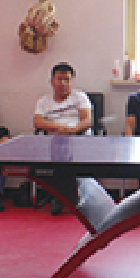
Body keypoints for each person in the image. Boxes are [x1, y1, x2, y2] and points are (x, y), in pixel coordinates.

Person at [34, 62, 93, 215]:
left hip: (78, 140)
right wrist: (59, 128)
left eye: (67, 79)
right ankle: (66, 196)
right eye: (59, 79)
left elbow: (87, 121)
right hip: (53, 142)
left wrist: (73, 130)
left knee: (65, 154)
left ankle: (60, 197)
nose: (63, 83)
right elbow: (37, 122)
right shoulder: (43, 101)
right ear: (52, 81)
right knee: (59, 153)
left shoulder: (80, 97)